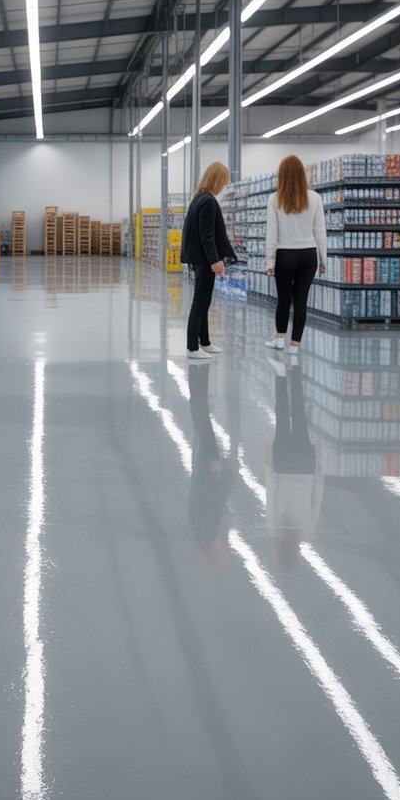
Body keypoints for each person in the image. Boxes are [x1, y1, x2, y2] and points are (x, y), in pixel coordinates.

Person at [264, 155, 327, 362]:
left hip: (285, 255)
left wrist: (270, 261)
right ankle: (294, 346)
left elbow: (272, 234)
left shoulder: (275, 199)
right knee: (301, 300)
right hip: (309, 255)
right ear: (302, 174)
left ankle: (279, 338)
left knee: (283, 299)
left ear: (281, 175)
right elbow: (320, 232)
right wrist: (323, 259)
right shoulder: (315, 198)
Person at [264, 360, 323, 572]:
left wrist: (319, 465)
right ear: (277, 554)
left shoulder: (307, 533)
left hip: (305, 467)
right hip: (282, 466)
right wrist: (268, 467)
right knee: (281, 415)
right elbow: (271, 496)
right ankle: (281, 372)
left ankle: (296, 365)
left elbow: (317, 498)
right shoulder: (274, 530)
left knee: (299, 413)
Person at [181, 161, 237, 360]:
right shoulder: (208, 202)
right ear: (217, 179)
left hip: (200, 258)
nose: (225, 185)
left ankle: (204, 341)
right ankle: (192, 347)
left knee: (204, 301)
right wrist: (215, 261)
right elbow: (207, 236)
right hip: (204, 260)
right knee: (200, 301)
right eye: (224, 181)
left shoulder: (199, 198)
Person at [189, 363, 235, 570]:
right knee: (200, 418)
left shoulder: (207, 531)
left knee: (202, 417)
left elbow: (208, 499)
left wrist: (217, 472)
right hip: (203, 471)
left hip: (210, 469)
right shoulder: (200, 533)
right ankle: (197, 368)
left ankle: (201, 367)